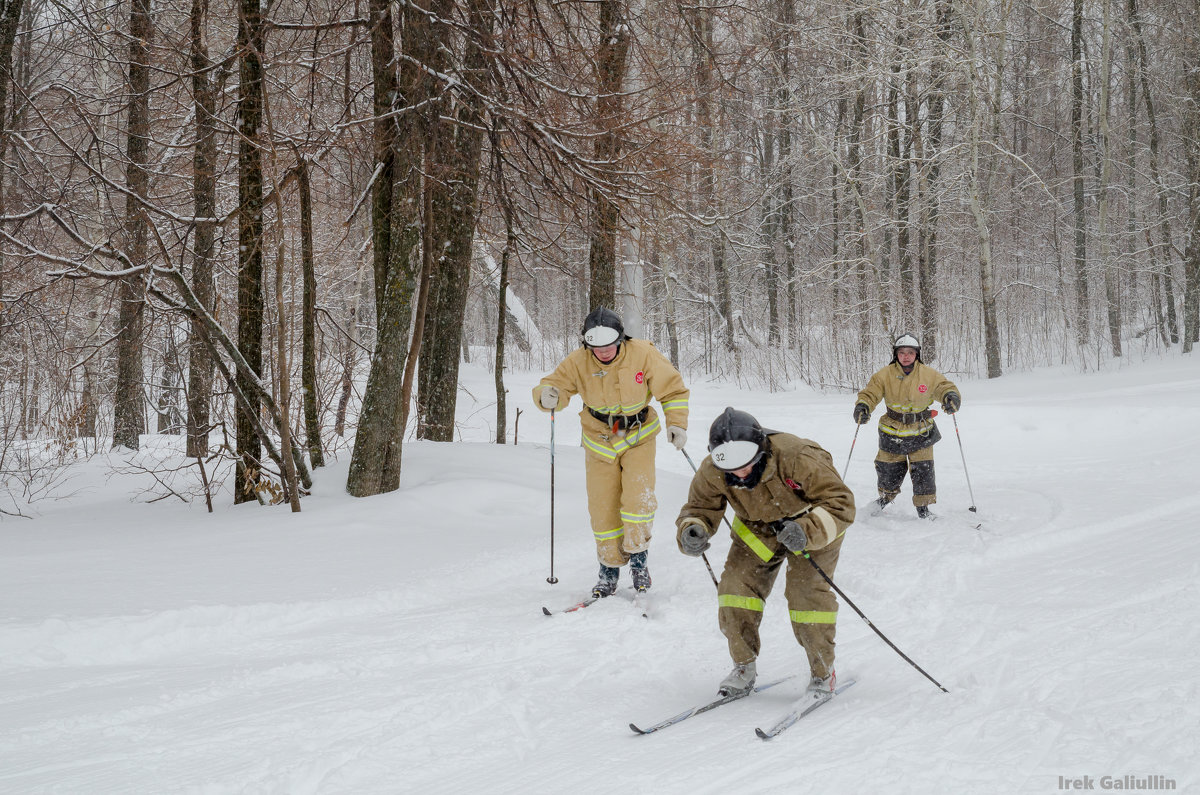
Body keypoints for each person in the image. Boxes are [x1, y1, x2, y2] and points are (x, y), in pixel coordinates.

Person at [675, 408, 855, 699]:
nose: (740, 473)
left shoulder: (798, 456)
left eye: (745, 463)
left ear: (760, 449)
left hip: (813, 526)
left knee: (805, 596)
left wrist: (805, 530)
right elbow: (698, 508)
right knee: (735, 590)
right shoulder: (712, 469)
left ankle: (823, 672)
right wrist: (692, 528)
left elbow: (841, 504)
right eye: (730, 467)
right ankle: (743, 667)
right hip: (758, 527)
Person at [533, 307, 690, 598]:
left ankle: (639, 563)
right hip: (600, 438)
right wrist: (548, 395)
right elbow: (555, 385)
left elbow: (672, 390)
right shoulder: (578, 361)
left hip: (637, 435)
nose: (603, 352)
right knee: (602, 508)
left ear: (620, 339)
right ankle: (608, 570)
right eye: (596, 347)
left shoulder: (643, 353)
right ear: (587, 344)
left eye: (609, 345)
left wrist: (677, 424)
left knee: (637, 500)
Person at [852, 334, 961, 518]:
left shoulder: (928, 374)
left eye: (910, 352)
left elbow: (943, 386)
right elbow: (871, 393)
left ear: (917, 354)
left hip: (921, 431)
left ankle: (923, 509)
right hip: (892, 430)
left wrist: (950, 396)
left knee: (923, 471)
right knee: (887, 469)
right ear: (896, 354)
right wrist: (863, 406)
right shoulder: (884, 374)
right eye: (901, 352)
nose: (906, 356)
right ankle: (885, 498)